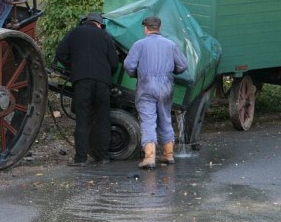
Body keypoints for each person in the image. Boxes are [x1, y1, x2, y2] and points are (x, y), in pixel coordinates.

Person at [123, 16, 188, 170]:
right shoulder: (171, 45)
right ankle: (168, 154)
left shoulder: (139, 45)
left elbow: (128, 65)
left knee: (148, 120)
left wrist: (135, 74)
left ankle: (150, 157)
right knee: (165, 118)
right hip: (166, 86)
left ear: (146, 28)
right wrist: (171, 72)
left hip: (146, 86)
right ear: (159, 28)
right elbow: (183, 65)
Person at [55, 12, 119, 166]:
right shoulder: (106, 36)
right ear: (99, 24)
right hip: (103, 82)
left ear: (86, 22)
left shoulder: (74, 33)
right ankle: (103, 157)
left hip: (81, 81)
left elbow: (60, 54)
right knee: (103, 119)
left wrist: (74, 67)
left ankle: (81, 158)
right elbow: (114, 63)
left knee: (82, 120)